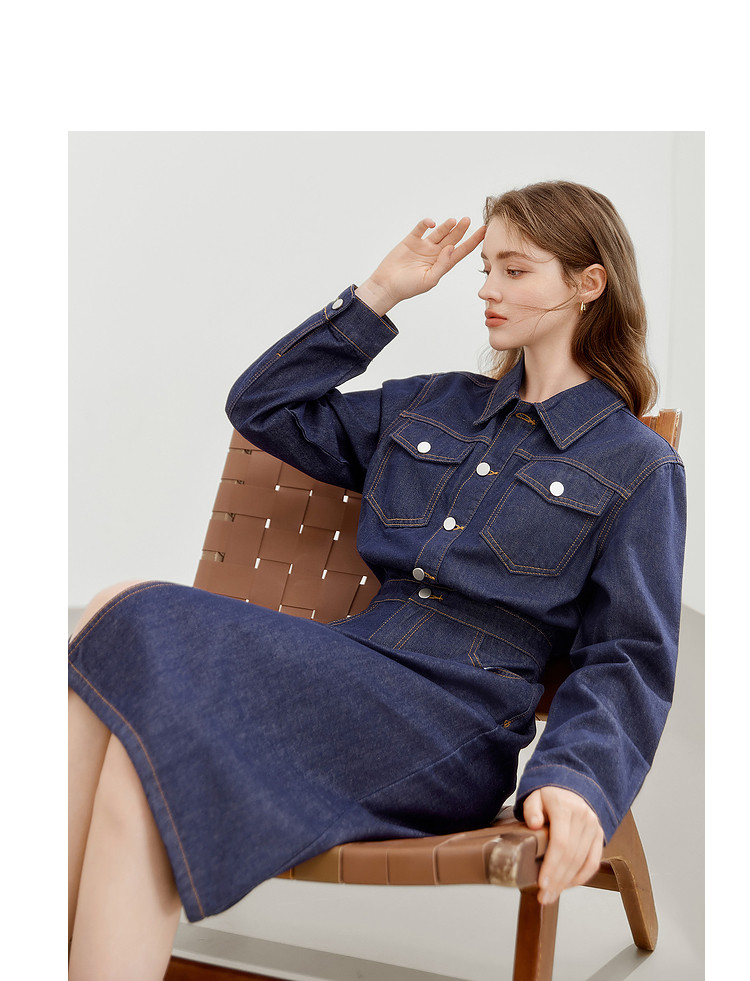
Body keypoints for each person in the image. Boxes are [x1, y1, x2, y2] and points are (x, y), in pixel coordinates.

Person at [68, 180, 686, 980]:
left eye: (515, 270)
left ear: (587, 283)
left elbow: (630, 656)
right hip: (351, 666)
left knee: (127, 629)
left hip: (454, 720)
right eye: (486, 270)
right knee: (124, 636)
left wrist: (576, 781)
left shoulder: (638, 466)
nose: (488, 289)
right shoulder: (436, 404)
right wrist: (380, 294)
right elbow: (262, 407)